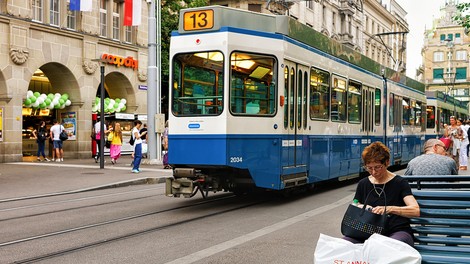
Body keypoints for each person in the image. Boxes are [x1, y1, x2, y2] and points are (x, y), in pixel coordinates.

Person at [343, 141, 420, 247]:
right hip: (367, 232)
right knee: (343, 244)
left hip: (397, 231)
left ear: (387, 162)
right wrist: (364, 207)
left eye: (378, 167)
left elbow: (415, 210)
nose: (374, 172)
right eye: (369, 168)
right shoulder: (363, 183)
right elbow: (355, 204)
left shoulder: (399, 183)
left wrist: (389, 209)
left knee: (386, 246)